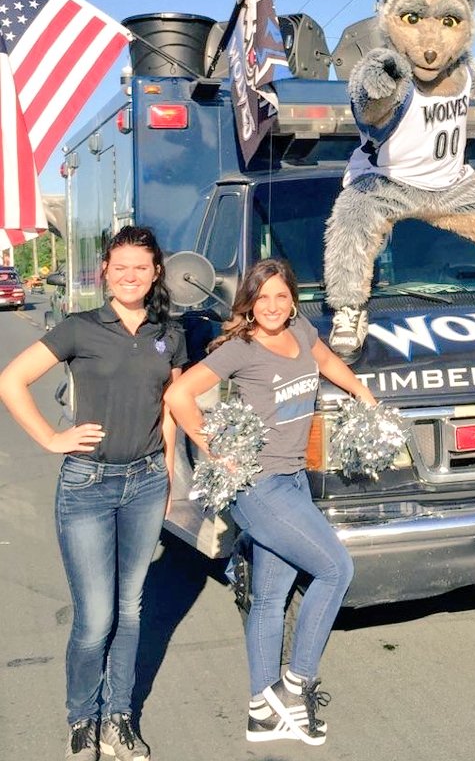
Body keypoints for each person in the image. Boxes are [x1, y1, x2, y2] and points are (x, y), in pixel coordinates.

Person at [164, 259, 377, 747]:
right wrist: (214, 447)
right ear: (250, 302)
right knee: (335, 570)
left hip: (293, 479)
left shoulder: (301, 330)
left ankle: (262, 711)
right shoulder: (241, 348)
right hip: (258, 486)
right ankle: (297, 686)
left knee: (270, 596)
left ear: (293, 299)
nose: (273, 306)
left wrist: (361, 392)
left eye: (281, 296)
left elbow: (327, 361)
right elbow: (179, 394)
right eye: (263, 298)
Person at [0, 226, 186, 761]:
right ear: (105, 270)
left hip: (146, 481)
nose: (130, 276)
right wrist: (51, 438)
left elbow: (170, 406)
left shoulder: (169, 334)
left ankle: (117, 718)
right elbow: (11, 380)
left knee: (130, 610)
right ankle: (82, 718)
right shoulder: (79, 328)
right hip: (88, 485)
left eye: (141, 267)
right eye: (120, 266)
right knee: (96, 616)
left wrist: (168, 472)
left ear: (156, 273)